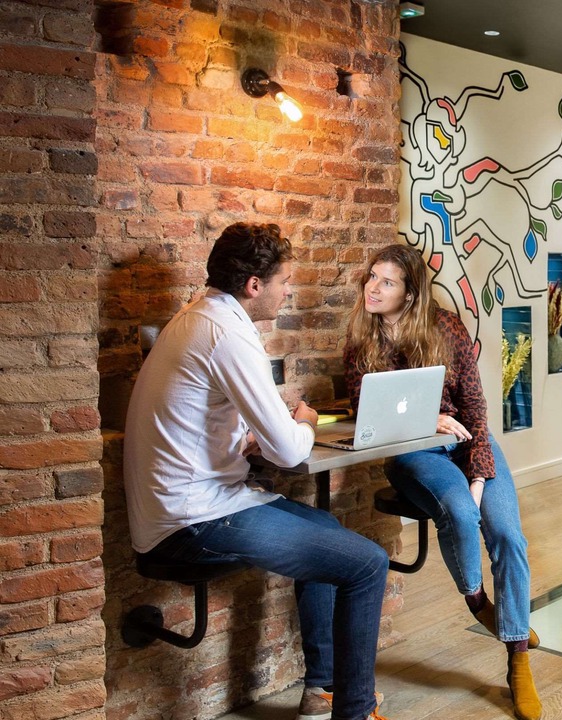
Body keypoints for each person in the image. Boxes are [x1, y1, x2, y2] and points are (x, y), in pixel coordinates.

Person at [123, 223, 390, 720]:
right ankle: (354, 713)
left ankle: (322, 691)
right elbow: (289, 453)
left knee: (329, 533)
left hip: (188, 505)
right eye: (284, 280)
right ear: (254, 285)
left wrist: (242, 439)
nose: (288, 290)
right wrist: (306, 422)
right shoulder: (227, 332)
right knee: (368, 563)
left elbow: (197, 422)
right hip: (190, 521)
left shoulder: (197, 317)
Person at [343, 244, 542, 720]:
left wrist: (478, 469)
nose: (373, 287)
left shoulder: (446, 326)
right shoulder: (359, 339)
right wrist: (429, 421)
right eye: (372, 277)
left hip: (467, 442)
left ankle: (517, 657)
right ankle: (479, 603)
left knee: (508, 535)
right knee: (458, 508)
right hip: (413, 451)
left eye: (387, 281)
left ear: (411, 293)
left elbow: (474, 405)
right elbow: (365, 416)